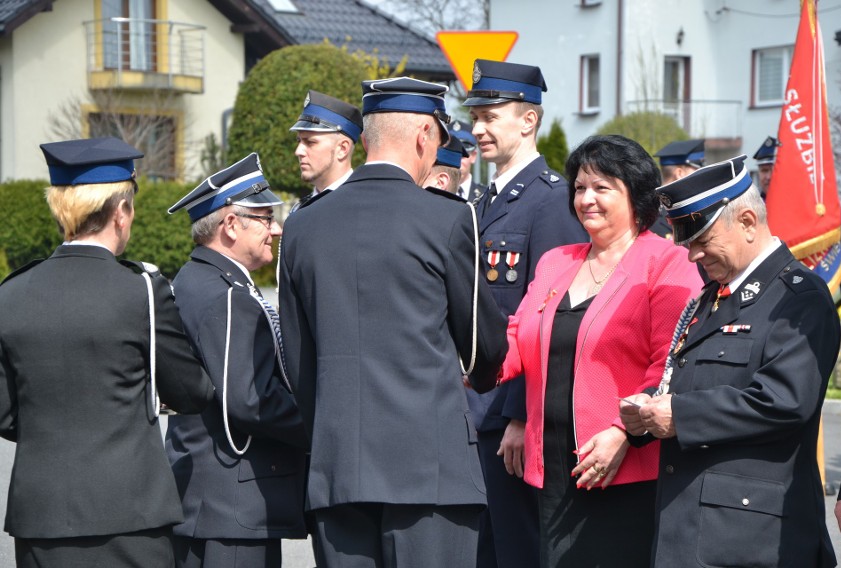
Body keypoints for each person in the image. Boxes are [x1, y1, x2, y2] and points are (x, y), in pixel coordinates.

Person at [278, 76, 509, 568]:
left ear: (363, 141)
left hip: (338, 466)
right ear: (427, 137)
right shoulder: (446, 218)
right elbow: (480, 346)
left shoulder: (302, 224)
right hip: (432, 468)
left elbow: (298, 360)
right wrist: (480, 377)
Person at [0, 137, 214, 568]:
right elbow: (193, 391)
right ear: (120, 212)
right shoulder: (142, 289)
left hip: (41, 517)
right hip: (129, 514)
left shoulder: (11, 294)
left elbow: (5, 414)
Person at [621, 155, 840, 568]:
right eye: (688, 245)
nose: (693, 257)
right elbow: (684, 379)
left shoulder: (799, 298)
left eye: (702, 242)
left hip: (751, 538)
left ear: (746, 222)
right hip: (690, 528)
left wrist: (680, 416)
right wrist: (648, 410)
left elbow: (784, 400)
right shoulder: (712, 297)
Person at [497, 135, 702, 567]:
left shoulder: (667, 262)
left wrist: (624, 432)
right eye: (579, 187)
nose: (586, 199)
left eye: (602, 187)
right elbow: (518, 338)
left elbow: (670, 362)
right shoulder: (557, 261)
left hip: (622, 466)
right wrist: (470, 359)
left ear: (636, 196)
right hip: (553, 464)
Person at [462, 58, 587, 568]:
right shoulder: (483, 202)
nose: (477, 128)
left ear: (528, 120)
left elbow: (552, 316)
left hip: (509, 419)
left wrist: (518, 414)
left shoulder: (551, 202)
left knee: (516, 549)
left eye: (491, 116)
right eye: (476, 116)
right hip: (472, 411)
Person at [165, 153, 309, 568]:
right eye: (265, 218)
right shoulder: (229, 296)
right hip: (233, 507)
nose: (276, 229)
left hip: (209, 500)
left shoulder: (196, 277)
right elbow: (250, 401)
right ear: (230, 225)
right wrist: (321, 426)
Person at [289, 90, 363, 212]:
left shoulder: (363, 206)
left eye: (311, 142)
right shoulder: (298, 210)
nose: (298, 151)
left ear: (342, 149)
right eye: (299, 141)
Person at [649, 138, 704, 239]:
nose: (700, 176)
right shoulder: (651, 214)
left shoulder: (693, 209)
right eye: (696, 171)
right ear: (679, 173)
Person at [451, 119, 486, 201]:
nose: (457, 162)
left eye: (463, 155)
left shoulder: (486, 196)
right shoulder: (432, 195)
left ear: (473, 156)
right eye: (452, 155)